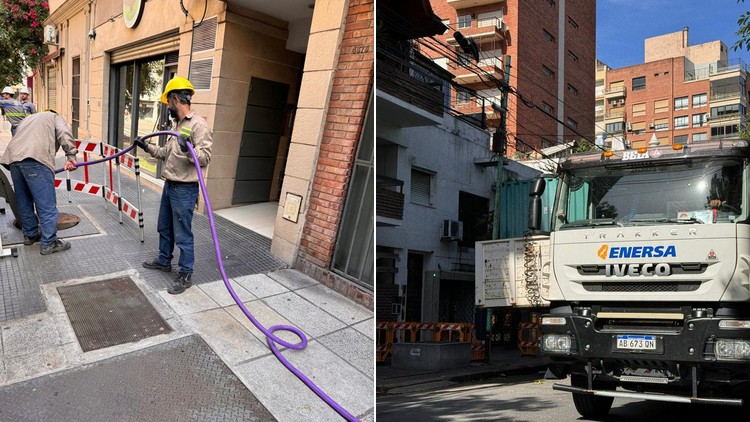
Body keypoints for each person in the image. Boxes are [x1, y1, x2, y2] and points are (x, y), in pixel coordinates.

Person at [134, 76, 213, 294]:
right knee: (164, 227)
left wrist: (188, 149)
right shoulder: (176, 125)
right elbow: (165, 154)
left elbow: (205, 157)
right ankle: (164, 260)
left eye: (168, 102)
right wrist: (147, 146)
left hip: (185, 190)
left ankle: (186, 273)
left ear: (175, 99)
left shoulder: (199, 126)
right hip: (170, 186)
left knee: (183, 234)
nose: (167, 107)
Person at [0, 110, 78, 255]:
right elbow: (63, 132)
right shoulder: (54, 116)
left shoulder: (27, 119)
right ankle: (49, 243)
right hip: (35, 160)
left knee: (24, 201)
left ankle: (30, 235)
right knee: (46, 204)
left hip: (15, 160)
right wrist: (71, 155)